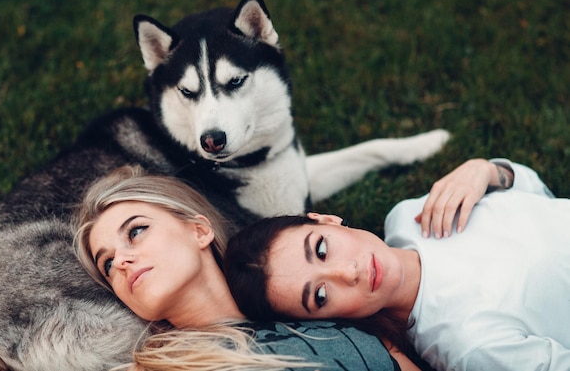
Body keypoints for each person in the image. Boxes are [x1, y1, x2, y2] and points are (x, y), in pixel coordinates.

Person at [224, 158, 570, 371]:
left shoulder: (407, 217)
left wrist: (487, 171)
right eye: (321, 296)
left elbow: (536, 195)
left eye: (322, 249)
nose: (348, 272)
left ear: (326, 220)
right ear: (331, 321)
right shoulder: (469, 345)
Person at [73, 165, 419, 371]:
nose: (120, 261)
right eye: (107, 264)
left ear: (199, 230)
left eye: (135, 231)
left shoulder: (329, 311)